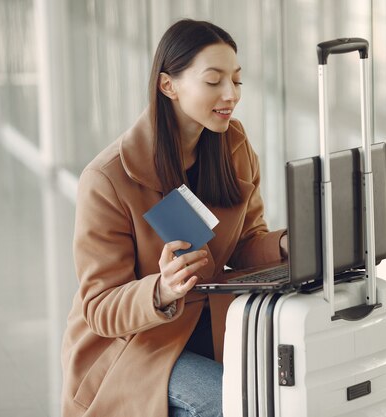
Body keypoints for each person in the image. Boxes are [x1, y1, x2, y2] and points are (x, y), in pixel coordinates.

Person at [60, 19, 288, 417]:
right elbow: (98, 307)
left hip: (214, 325)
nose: (230, 94)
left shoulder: (234, 147)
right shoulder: (107, 179)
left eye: (236, 81)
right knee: (230, 404)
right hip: (137, 345)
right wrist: (161, 290)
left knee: (288, 393)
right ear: (169, 86)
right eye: (214, 81)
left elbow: (247, 243)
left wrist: (288, 244)